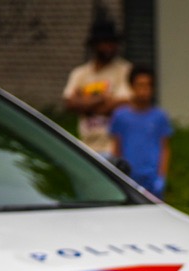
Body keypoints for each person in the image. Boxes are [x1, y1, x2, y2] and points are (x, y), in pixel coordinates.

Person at [61, 16, 131, 157]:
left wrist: (84, 102)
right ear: (94, 45)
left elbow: (124, 103)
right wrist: (102, 99)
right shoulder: (80, 73)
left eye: (113, 43)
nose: (110, 47)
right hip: (86, 146)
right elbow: (69, 103)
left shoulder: (125, 70)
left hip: (115, 147)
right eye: (105, 43)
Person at [108, 66, 172, 196]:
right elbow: (116, 147)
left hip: (151, 178)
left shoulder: (160, 116)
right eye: (140, 85)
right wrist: (116, 173)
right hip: (128, 177)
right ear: (131, 86)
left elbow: (165, 148)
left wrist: (161, 176)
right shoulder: (120, 116)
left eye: (148, 86)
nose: (143, 90)